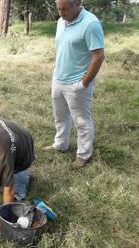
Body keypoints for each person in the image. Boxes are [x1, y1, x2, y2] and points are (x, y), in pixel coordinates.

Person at [43, 0, 105, 169]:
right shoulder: (61, 21)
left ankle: (84, 155)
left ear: (77, 4)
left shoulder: (90, 24)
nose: (60, 12)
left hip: (77, 83)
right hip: (58, 79)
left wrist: (84, 83)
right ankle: (61, 144)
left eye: (64, 9)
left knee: (82, 121)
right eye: (58, 8)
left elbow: (98, 56)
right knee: (60, 116)